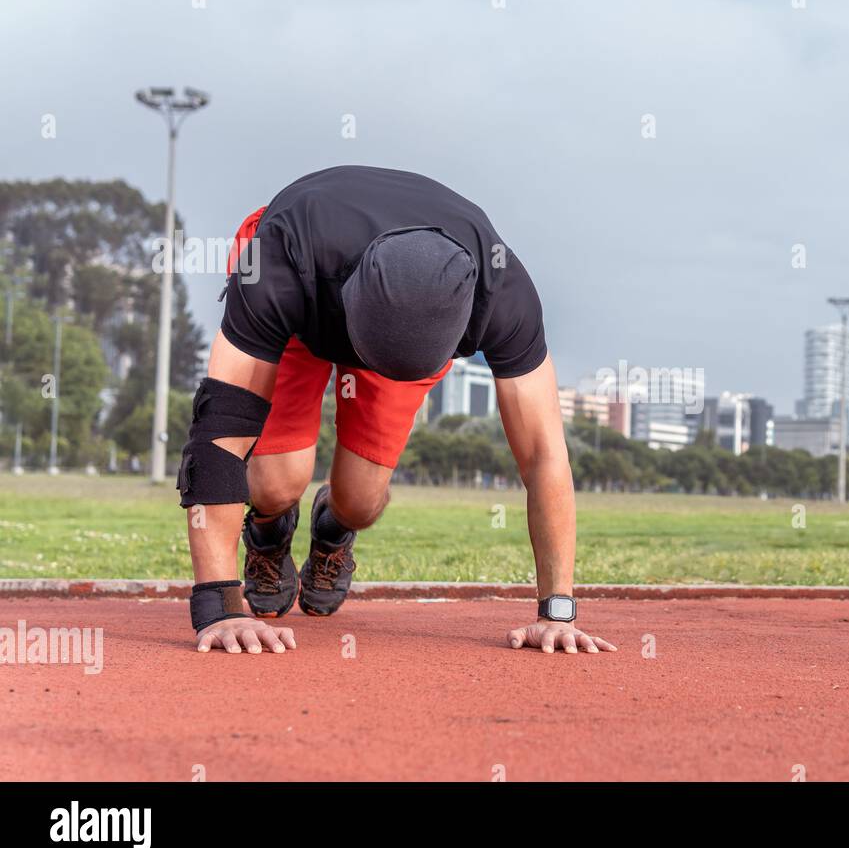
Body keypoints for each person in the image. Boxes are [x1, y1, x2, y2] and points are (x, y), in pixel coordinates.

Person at [179, 165, 614, 657]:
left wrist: (557, 612)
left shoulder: (503, 295)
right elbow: (219, 436)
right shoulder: (276, 264)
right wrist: (220, 608)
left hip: (400, 317)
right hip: (304, 308)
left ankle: (331, 531)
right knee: (275, 483)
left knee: (360, 501)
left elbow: (544, 455)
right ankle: (267, 531)